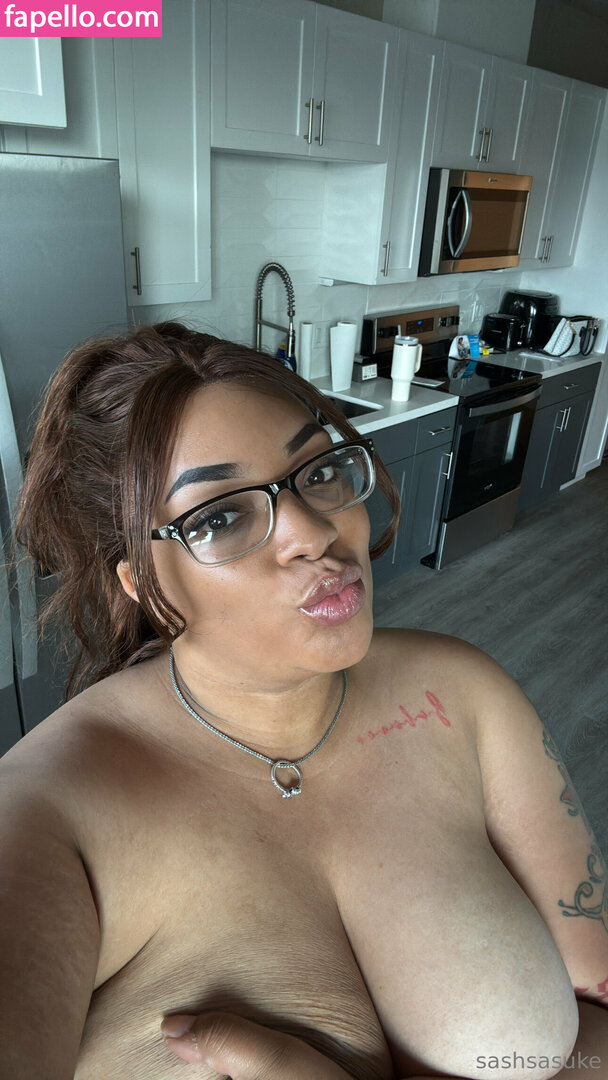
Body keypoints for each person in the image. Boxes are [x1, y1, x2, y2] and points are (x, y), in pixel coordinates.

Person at [1, 322, 607, 1080]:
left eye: (317, 472)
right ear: (142, 585)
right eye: (219, 517)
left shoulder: (462, 693)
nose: (314, 533)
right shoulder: (45, 818)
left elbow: (597, 1024)